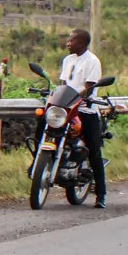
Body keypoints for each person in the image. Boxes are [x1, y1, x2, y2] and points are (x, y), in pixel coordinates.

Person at [34, 28, 106, 209]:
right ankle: (37, 165)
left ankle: (100, 194)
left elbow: (89, 88)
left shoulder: (92, 61)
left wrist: (80, 99)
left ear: (81, 43)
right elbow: (64, 85)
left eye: (71, 40)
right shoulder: (68, 60)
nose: (68, 43)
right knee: (41, 125)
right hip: (66, 108)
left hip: (84, 109)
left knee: (94, 149)